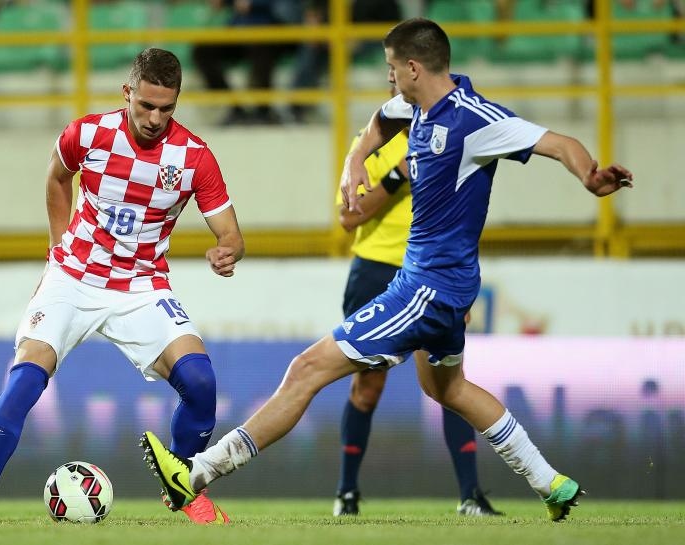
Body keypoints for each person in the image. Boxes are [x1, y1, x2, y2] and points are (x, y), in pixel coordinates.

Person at [139, 18, 633, 522]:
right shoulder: (415, 106)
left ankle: (194, 474)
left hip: (427, 289)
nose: (389, 78)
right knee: (448, 389)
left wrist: (590, 176)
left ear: (414, 67)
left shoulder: (475, 120)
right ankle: (551, 483)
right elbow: (380, 119)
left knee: (307, 369)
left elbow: (558, 142)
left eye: (393, 68)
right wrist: (357, 161)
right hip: (438, 284)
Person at [0, 48, 244, 526]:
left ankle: (183, 486)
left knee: (201, 381)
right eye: (146, 105)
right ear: (127, 93)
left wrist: (228, 249)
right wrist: (57, 247)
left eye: (165, 108)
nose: (154, 118)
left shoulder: (194, 157)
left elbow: (230, 231)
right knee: (24, 381)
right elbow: (57, 177)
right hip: (74, 277)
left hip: (142, 284)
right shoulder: (87, 133)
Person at [333, 108, 501, 517]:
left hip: (434, 273)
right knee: (368, 386)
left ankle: (470, 495)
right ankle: (347, 492)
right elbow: (347, 217)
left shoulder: (454, 139)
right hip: (377, 268)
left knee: (447, 383)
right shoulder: (370, 143)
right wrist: (397, 175)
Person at [192, 0, 287, 125]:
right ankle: (234, 107)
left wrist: (253, 4)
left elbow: (286, 6)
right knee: (203, 51)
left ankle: (264, 111)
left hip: (266, 30)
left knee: (263, 50)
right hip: (237, 30)